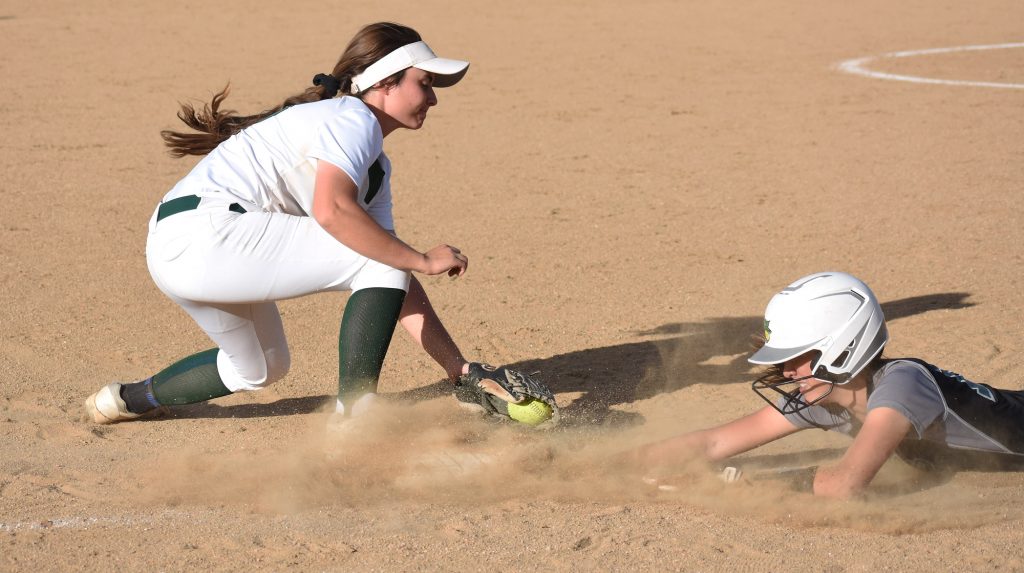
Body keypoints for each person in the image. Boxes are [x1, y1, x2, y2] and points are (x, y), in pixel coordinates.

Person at [84, 22, 554, 426]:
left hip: (181, 250)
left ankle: (127, 399)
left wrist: (459, 369)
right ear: (386, 82)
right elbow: (336, 216)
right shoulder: (351, 118)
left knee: (261, 367)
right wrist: (424, 258)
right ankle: (355, 412)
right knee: (377, 254)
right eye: (424, 82)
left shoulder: (369, 161)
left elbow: (390, 269)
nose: (432, 97)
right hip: (211, 234)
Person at [634, 271, 1024, 498]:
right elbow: (712, 443)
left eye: (794, 357)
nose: (785, 372)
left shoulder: (903, 385)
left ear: (842, 347)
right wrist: (613, 466)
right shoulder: (829, 399)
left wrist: (733, 482)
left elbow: (845, 484)